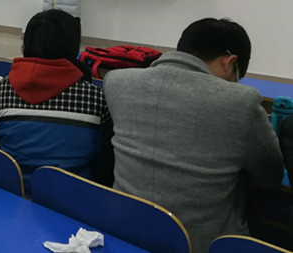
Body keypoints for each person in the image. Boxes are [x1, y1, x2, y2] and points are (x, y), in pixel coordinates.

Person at [103, 18, 283, 253]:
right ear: (229, 62)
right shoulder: (241, 101)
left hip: (124, 233)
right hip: (202, 244)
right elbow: (270, 177)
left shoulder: (117, 82)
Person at [0, 9, 112, 193]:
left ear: (27, 45)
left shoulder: (1, 90)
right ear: (73, 48)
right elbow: (102, 158)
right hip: (74, 197)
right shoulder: (96, 98)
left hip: (14, 193)